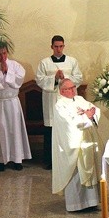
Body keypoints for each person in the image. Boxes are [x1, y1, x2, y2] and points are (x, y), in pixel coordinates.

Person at [52, 78, 101, 212]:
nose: (73, 89)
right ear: (62, 91)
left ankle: (91, 202)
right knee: (76, 172)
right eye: (70, 88)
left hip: (86, 142)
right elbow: (68, 123)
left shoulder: (80, 99)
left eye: (74, 87)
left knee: (89, 169)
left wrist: (91, 114)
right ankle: (76, 205)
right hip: (73, 144)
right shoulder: (60, 105)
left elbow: (93, 109)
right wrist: (86, 117)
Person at [36, 35, 83, 170]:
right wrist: (55, 78)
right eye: (56, 46)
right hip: (51, 100)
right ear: (51, 47)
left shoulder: (72, 61)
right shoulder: (44, 63)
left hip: (68, 100)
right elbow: (40, 80)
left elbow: (78, 78)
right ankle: (50, 161)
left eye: (61, 46)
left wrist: (65, 77)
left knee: (68, 128)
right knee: (51, 129)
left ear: (64, 46)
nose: (58, 49)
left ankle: (70, 159)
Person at [0, 41, 32, 172]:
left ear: (7, 52)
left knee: (14, 131)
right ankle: (1, 160)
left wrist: (7, 71)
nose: (2, 57)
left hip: (12, 103)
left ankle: (16, 159)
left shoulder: (16, 66)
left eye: (4, 53)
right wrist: (2, 72)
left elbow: (18, 81)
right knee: (0, 131)